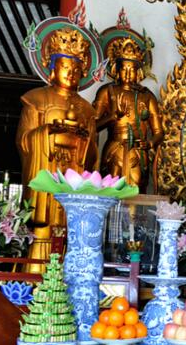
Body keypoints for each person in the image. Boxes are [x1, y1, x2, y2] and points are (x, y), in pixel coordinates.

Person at [16, 27, 98, 265]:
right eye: (65, 67)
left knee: (73, 231)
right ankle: (34, 277)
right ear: (52, 69)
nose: (71, 73)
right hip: (47, 173)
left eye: (76, 70)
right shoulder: (36, 99)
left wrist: (82, 139)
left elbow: (92, 156)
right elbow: (24, 141)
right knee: (42, 228)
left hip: (73, 174)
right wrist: (50, 131)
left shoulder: (87, 110)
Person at [93, 37, 164, 191]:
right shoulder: (107, 92)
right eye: (124, 68)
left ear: (138, 72)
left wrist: (150, 143)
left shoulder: (147, 95)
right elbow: (92, 127)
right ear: (116, 70)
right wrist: (112, 117)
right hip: (114, 148)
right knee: (110, 189)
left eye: (132, 69)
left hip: (138, 151)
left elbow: (159, 132)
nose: (127, 73)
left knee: (137, 189)